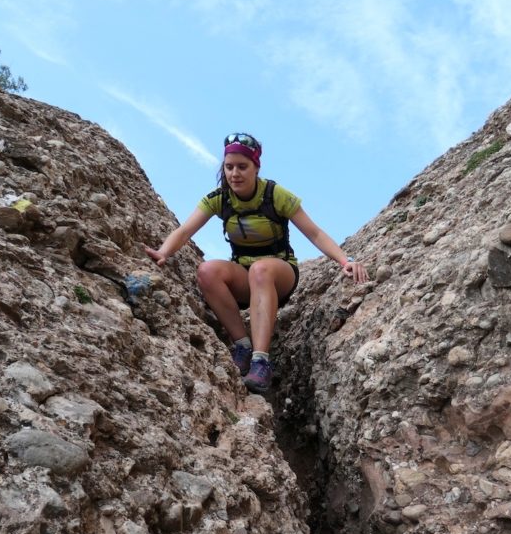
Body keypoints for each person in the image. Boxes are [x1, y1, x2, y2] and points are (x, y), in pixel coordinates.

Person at [144, 132, 368, 393]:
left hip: (278, 273)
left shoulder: (275, 195)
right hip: (244, 275)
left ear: (256, 167)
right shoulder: (219, 199)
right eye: (229, 167)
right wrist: (163, 252)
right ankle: (242, 345)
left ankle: (261, 362)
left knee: (261, 269)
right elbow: (184, 231)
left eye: (242, 167)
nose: (235, 174)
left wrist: (345, 261)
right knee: (207, 271)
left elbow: (314, 233)